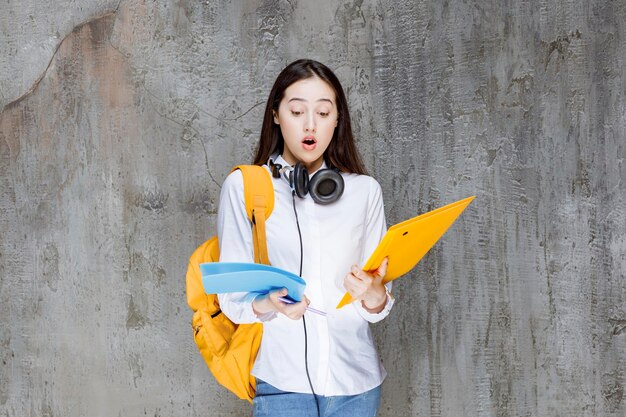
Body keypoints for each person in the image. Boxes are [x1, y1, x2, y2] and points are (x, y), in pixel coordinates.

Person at [216, 59, 394, 417]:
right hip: (282, 386)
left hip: (357, 387)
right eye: (297, 111)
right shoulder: (245, 188)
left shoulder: (364, 192)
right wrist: (269, 304)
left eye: (324, 112)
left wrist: (376, 296)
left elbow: (374, 306)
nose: (310, 124)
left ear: (337, 120)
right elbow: (230, 298)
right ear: (277, 115)